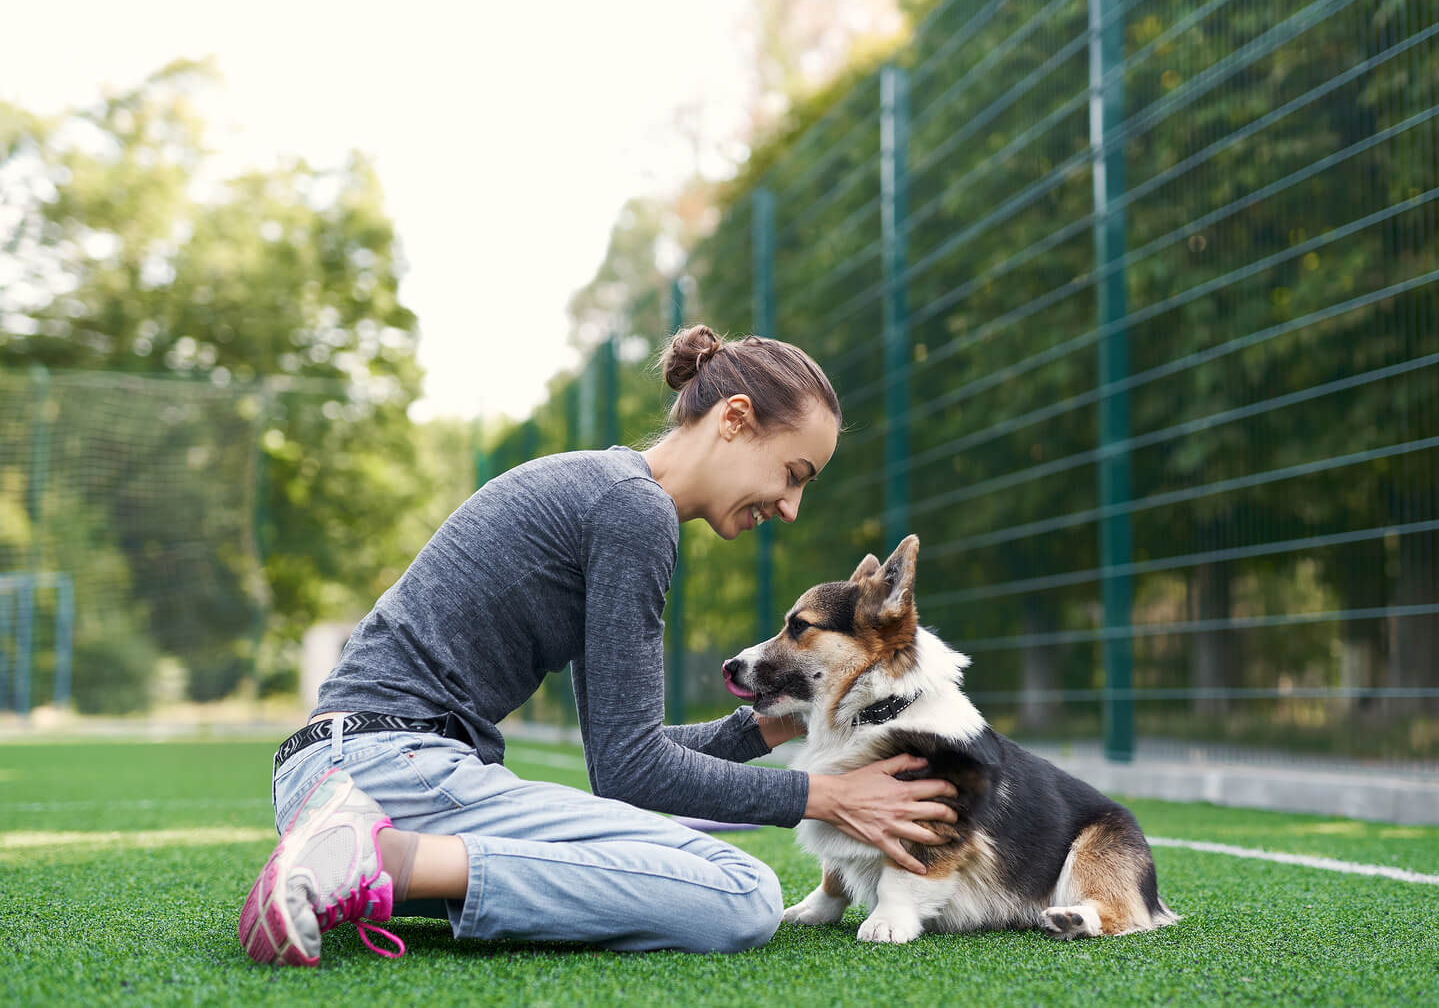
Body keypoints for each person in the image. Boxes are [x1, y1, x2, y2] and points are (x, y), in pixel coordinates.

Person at [239, 325, 959, 965]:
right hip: (392, 768)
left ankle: (354, 857)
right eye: (793, 475)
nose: (791, 508)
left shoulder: (610, 494)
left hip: (341, 769)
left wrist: (767, 726)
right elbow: (630, 772)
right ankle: (377, 855)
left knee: (690, 876)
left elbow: (621, 753)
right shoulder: (634, 511)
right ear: (735, 420)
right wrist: (826, 796)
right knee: (741, 893)